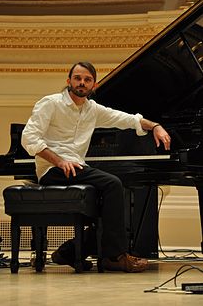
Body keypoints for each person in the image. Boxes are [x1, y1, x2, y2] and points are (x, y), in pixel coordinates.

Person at [22, 61, 171, 273]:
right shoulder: (50, 103)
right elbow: (29, 138)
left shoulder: (93, 109)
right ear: (69, 81)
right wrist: (59, 161)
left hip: (75, 167)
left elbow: (128, 119)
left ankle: (71, 252)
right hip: (52, 170)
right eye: (77, 78)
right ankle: (114, 257)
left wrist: (156, 126)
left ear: (94, 85)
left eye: (87, 79)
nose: (81, 83)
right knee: (112, 184)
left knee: (106, 202)